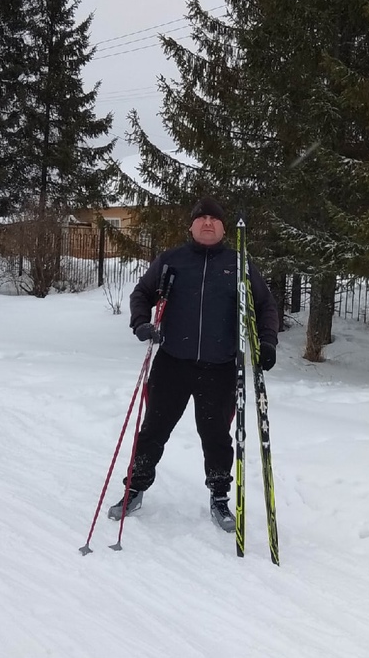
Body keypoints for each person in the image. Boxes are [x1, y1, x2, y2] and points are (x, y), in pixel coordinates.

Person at [108, 196, 279, 532]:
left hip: (220, 367)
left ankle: (220, 497)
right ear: (191, 226)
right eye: (201, 218)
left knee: (216, 437)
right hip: (172, 363)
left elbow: (265, 306)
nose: (208, 223)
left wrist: (268, 341)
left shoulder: (239, 264)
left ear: (224, 228)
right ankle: (135, 488)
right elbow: (141, 294)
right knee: (153, 430)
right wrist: (141, 323)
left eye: (214, 219)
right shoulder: (172, 261)